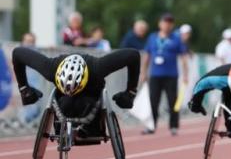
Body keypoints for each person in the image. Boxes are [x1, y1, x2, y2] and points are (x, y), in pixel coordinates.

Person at [11, 47, 139, 138]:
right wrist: (24, 89)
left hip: (91, 92)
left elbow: (133, 55)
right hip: (63, 98)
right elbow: (17, 53)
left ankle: (88, 128)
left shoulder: (98, 68)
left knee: (86, 100)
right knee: (65, 101)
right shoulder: (50, 68)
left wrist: (130, 92)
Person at [140, 13, 189, 135]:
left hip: (171, 75)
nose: (167, 25)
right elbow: (147, 55)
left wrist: (186, 75)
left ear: (172, 25)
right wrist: (143, 72)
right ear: (160, 23)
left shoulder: (176, 38)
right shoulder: (152, 37)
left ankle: (173, 126)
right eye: (165, 22)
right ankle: (151, 126)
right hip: (155, 74)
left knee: (173, 101)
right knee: (153, 101)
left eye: (169, 23)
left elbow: (183, 57)